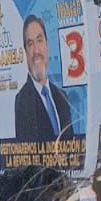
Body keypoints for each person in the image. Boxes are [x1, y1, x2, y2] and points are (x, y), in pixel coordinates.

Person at [13, 14, 77, 142]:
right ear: (26, 51)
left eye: (39, 40)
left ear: (47, 44)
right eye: (30, 44)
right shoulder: (22, 100)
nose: (36, 50)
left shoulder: (62, 97)